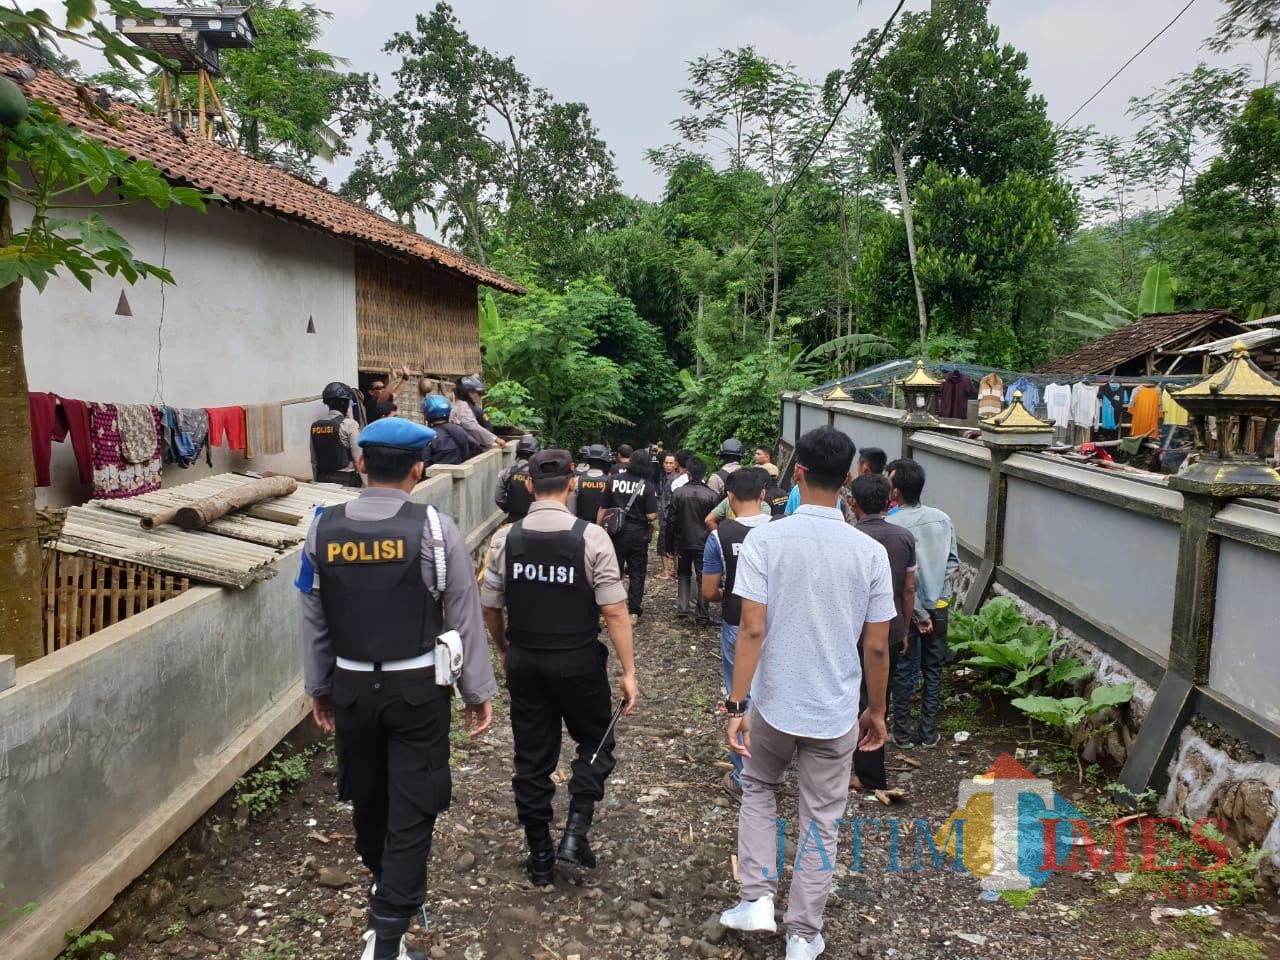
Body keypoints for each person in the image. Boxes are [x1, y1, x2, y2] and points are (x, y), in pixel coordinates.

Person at [298, 418, 497, 960]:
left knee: (367, 798)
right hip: (417, 691)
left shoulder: (321, 528)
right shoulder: (435, 528)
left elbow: (313, 616)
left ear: (361, 463)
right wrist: (476, 691)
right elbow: (463, 618)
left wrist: (319, 686)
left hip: (353, 689)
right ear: (418, 467)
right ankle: (388, 940)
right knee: (412, 808)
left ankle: (382, 896)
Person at [719, 426, 894, 960]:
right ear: (847, 480)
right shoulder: (868, 553)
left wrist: (737, 703)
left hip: (773, 700)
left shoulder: (764, 539)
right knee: (822, 814)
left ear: (796, 473)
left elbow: (751, 629)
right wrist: (877, 711)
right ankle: (802, 932)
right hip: (834, 707)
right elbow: (878, 646)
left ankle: (755, 899)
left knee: (759, 789)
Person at [480, 449, 640, 886]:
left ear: (528, 485)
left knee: (532, 760)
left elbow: (490, 607)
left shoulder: (504, 539)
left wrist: (505, 650)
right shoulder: (591, 538)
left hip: (527, 661)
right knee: (595, 744)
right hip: (578, 661)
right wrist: (628, 671)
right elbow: (614, 611)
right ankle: (575, 831)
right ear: (572, 483)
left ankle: (539, 857)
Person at [701, 467, 772, 798]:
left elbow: (708, 591)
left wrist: (725, 595)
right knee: (772, 692)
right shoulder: (780, 531)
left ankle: (744, 777)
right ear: (762, 496)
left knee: (739, 693)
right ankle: (772, 770)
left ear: (729, 498)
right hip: (775, 623)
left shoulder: (719, 535)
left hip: (736, 621)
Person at [849, 474, 916, 793]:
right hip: (890, 629)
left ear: (854, 503)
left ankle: (862, 771)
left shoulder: (849, 538)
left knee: (853, 699)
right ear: (888, 500)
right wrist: (903, 628)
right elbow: (908, 587)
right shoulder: (904, 538)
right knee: (878, 700)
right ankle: (869, 767)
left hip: (854, 631)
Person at [887, 459, 958, 749]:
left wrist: (916, 611)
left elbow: (901, 580)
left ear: (897, 491)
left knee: (905, 670)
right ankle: (928, 733)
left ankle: (902, 734)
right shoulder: (942, 519)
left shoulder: (891, 525)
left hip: (907, 610)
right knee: (934, 669)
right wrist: (936, 595)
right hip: (938, 606)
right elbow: (953, 562)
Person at [601, 449, 658, 624]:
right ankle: (633, 611)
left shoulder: (613, 480)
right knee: (637, 572)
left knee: (612, 572)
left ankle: (608, 609)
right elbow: (651, 516)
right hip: (637, 535)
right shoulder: (647, 486)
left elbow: (602, 508)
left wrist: (600, 529)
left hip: (615, 533)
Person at [669, 457, 719, 621]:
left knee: (683, 573)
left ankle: (683, 607)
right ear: (704, 474)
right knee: (702, 575)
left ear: (688, 473)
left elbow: (671, 520)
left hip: (683, 540)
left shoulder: (678, 493)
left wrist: (669, 543)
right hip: (704, 543)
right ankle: (702, 613)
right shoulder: (712, 495)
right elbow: (716, 521)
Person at [312, 382, 363, 488]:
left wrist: (316, 482)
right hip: (346, 482)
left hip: (322, 480)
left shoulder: (315, 426)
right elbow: (358, 460)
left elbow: (314, 461)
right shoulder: (350, 424)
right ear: (345, 403)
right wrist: (367, 486)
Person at [450, 375, 508, 452]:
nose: (477, 395)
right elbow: (472, 426)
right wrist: (496, 439)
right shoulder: (462, 405)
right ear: (464, 393)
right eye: (473, 392)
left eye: (477, 393)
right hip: (466, 449)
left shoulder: (469, 406)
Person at [420, 395, 476, 466]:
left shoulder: (428, 436)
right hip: (459, 470)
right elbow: (468, 451)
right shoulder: (459, 429)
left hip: (436, 475)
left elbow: (425, 462)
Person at [495, 436, 540, 525]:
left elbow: (498, 498)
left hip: (513, 519)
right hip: (536, 519)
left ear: (517, 452)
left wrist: (508, 508)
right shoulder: (541, 474)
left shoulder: (506, 473)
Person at [574, 444, 612, 524]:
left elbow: (572, 508)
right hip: (603, 526)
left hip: (580, 525)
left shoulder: (577, 481)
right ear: (605, 462)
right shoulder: (610, 481)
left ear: (588, 461)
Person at [657, 451, 678, 580]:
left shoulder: (674, 479)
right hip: (668, 516)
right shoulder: (664, 477)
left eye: (671, 463)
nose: (668, 465)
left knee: (664, 544)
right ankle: (674, 570)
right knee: (671, 544)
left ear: (675, 464)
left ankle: (666, 571)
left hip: (668, 516)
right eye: (666, 463)